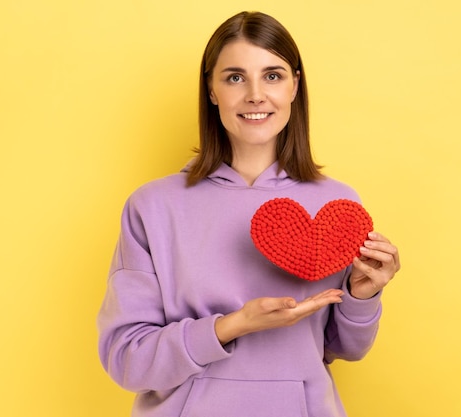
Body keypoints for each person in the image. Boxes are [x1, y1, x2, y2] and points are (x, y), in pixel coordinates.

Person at [97, 11, 401, 417]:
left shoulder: (338, 206)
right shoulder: (152, 206)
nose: (256, 95)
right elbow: (128, 360)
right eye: (235, 77)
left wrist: (363, 296)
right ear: (211, 89)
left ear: (295, 85)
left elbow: (342, 349)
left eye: (272, 76)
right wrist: (234, 325)